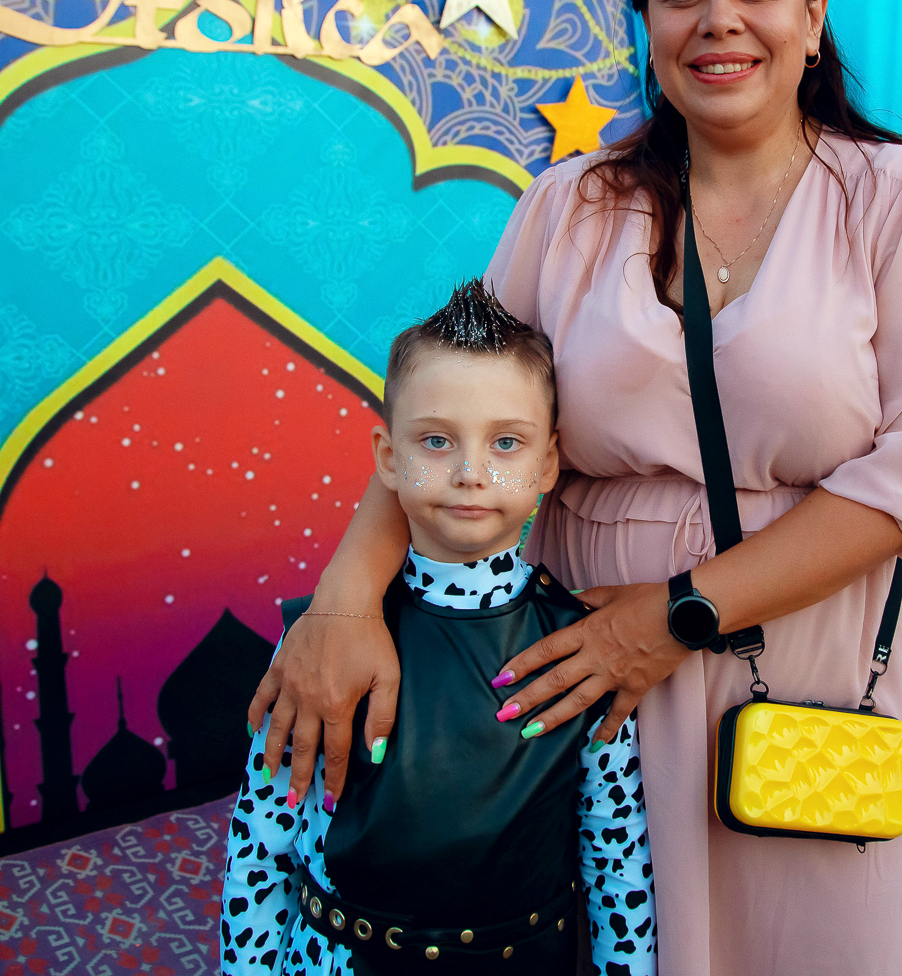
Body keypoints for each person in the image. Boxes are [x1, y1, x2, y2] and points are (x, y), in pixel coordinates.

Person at [251, 0, 902, 975]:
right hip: (578, 667)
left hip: (811, 658)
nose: (719, 20)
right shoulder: (571, 207)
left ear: (813, 14)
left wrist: (672, 619)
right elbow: (450, 408)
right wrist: (344, 603)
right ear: (646, 21)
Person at [221, 280, 657, 975]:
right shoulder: (326, 642)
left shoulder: (582, 651)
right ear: (388, 457)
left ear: (548, 461)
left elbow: (616, 860)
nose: (470, 472)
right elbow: (260, 845)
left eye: (506, 443)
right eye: (435, 440)